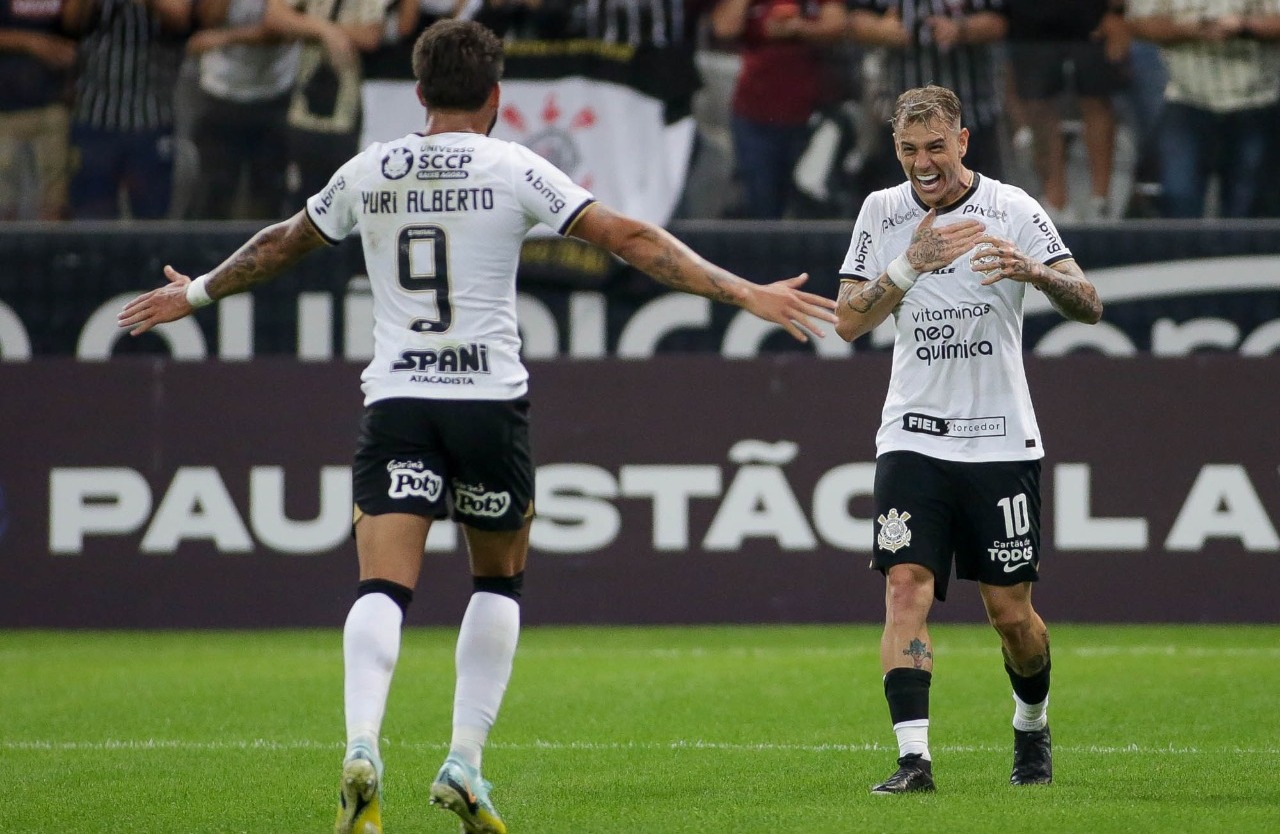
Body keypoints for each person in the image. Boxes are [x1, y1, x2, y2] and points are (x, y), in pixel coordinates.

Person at [117, 19, 838, 834]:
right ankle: (463, 762)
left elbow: (284, 243)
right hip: (489, 404)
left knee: (381, 587)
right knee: (497, 582)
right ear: (497, 97)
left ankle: (361, 744)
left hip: (397, 402)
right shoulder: (514, 166)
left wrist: (199, 293)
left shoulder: (371, 169)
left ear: (420, 94)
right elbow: (631, 240)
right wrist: (748, 293)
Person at [833, 84, 1102, 794]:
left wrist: (1035, 272)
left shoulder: (1012, 208)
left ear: (962, 142)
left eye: (935, 147)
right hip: (913, 437)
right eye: (909, 149)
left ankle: (1031, 726)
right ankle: (913, 760)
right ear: (897, 149)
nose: (923, 163)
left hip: (1000, 442)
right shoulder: (882, 212)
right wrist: (908, 265)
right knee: (905, 588)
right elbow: (847, 321)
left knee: (1011, 615)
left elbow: (1090, 304)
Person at [1126, 0, 1280, 219]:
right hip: (1186, 99)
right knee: (1179, 200)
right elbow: (1138, 23)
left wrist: (1245, 26)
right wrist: (1192, 28)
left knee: (1247, 210)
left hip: (1256, 102)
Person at [847, 1, 1011, 195]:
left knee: (982, 202)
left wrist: (961, 29)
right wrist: (881, 30)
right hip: (901, 118)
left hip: (971, 116)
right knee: (902, 207)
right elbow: (853, 19)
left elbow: (1001, 21)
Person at [709, 0, 847, 218]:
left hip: (809, 115)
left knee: (809, 198)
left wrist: (798, 28)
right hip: (754, 114)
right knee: (761, 201)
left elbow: (838, 25)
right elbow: (723, 28)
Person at [61, 0, 193, 219]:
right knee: (90, 215)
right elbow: (71, 21)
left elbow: (179, 17)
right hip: (95, 117)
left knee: (152, 215)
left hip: (150, 118)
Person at [1004, 0, 1129, 222]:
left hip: (1092, 18)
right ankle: (1055, 201)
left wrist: (1116, 12)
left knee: (1096, 100)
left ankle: (1100, 202)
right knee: (1038, 105)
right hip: (1030, 21)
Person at [184, 0, 301, 219]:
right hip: (220, 92)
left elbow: (279, 28)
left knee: (267, 199)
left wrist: (225, 38)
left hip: (275, 93)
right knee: (213, 195)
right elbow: (209, 18)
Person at [0, 0, 75, 220]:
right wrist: (30, 42)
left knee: (54, 207)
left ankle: (53, 254)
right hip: (5, 112)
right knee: (4, 208)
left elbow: (78, 29)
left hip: (53, 111)